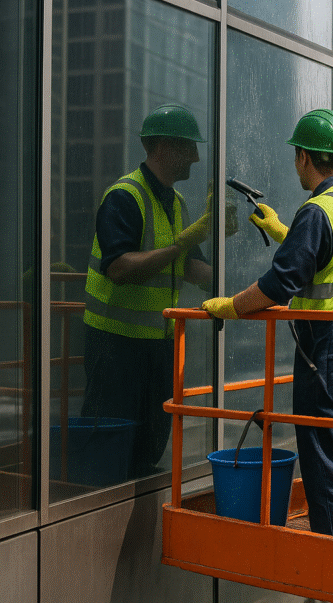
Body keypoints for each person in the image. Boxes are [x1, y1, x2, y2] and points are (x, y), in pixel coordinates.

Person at [202, 109, 333, 542]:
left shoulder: (317, 211)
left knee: (327, 466)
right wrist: (286, 231)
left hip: (330, 357)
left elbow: (279, 285)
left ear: (304, 157)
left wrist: (232, 306)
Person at [82, 103, 216, 478]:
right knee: (109, 443)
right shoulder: (124, 197)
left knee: (149, 442)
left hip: (157, 344)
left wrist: (235, 273)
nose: (196, 157)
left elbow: (191, 267)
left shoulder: (178, 203)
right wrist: (180, 245)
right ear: (164, 147)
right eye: (189, 148)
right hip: (115, 343)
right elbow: (119, 269)